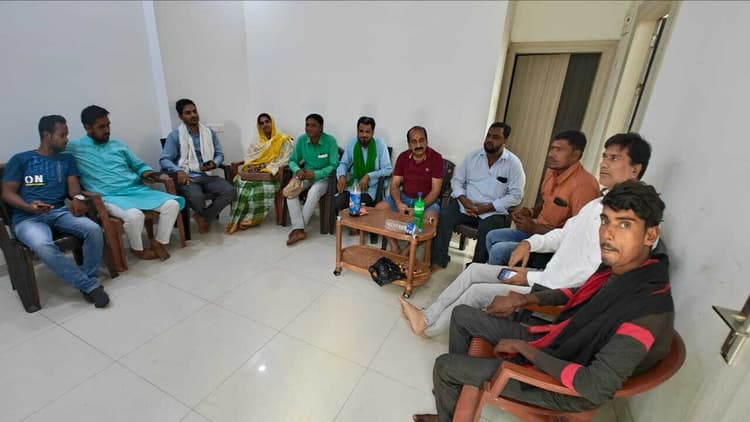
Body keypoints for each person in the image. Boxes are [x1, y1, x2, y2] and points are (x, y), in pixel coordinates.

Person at [414, 181, 672, 422]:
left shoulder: (647, 310)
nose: (608, 234)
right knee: (462, 314)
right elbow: (577, 293)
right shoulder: (623, 269)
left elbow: (593, 387)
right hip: (560, 340)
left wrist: (526, 349)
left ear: (650, 235)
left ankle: (452, 396)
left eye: (624, 225)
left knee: (445, 367)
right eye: (605, 221)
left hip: (564, 385)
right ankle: (456, 398)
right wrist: (524, 299)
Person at [401, 133, 653, 337]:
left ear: (635, 169)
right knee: (475, 270)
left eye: (614, 158)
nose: (604, 163)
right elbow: (563, 235)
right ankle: (429, 314)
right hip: (540, 276)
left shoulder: (625, 222)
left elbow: (590, 273)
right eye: (605, 156)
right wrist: (529, 243)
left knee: (476, 291)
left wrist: (532, 279)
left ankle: (429, 328)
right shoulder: (598, 204)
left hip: (546, 288)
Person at [1, 115, 109, 307]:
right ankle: (90, 286)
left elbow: (74, 189)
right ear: (47, 135)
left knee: (93, 229)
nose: (66, 139)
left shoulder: (67, 159)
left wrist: (78, 198)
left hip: (59, 212)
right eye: (62, 135)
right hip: (27, 218)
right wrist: (28, 207)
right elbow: (7, 193)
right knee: (42, 244)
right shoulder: (21, 159)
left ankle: (88, 279)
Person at [67, 105, 184, 261]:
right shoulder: (74, 147)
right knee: (134, 216)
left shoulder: (117, 144)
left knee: (172, 204)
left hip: (135, 190)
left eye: (108, 125)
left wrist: (147, 173)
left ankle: (158, 242)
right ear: (87, 127)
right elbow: (56, 159)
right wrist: (75, 196)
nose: (107, 130)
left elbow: (138, 165)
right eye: (101, 127)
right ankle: (137, 249)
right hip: (108, 196)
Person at [486, 130, 599, 266]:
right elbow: (547, 201)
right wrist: (530, 212)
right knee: (492, 236)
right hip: (537, 234)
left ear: (576, 155)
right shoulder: (552, 171)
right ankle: (496, 271)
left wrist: (535, 228)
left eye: (559, 150)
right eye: (552, 148)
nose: (551, 154)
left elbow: (577, 235)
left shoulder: (585, 186)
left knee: (499, 251)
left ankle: (499, 275)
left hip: (555, 249)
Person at [431, 122, 525, 269]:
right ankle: (439, 260)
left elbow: (516, 195)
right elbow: (457, 181)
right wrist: (463, 199)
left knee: (489, 230)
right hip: (465, 205)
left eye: (495, 137)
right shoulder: (472, 157)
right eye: (488, 135)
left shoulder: (513, 164)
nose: (490, 140)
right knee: (445, 215)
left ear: (505, 141)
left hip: (492, 211)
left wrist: (489, 207)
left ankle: (475, 268)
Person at [160, 98, 235, 234]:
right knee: (197, 197)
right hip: (188, 177)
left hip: (207, 175)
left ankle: (203, 217)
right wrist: (178, 171)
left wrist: (214, 163)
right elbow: (164, 160)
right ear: (180, 116)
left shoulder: (209, 133)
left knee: (230, 191)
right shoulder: (175, 136)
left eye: (195, 111)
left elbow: (219, 154)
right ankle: (205, 217)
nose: (193, 115)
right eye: (188, 113)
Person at [375, 126, 443, 253]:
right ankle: (394, 246)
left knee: (431, 220)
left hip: (426, 201)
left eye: (421, 140)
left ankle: (407, 251)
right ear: (409, 144)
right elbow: (394, 184)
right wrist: (398, 203)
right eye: (414, 142)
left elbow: (435, 190)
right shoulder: (403, 157)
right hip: (404, 198)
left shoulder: (436, 158)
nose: (418, 145)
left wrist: (420, 207)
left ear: (427, 141)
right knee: (379, 209)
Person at [225, 113, 294, 234]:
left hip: (273, 175)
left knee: (260, 188)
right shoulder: (256, 142)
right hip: (256, 173)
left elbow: (285, 160)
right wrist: (252, 166)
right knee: (240, 184)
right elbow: (249, 158)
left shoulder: (283, 139)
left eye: (267, 121)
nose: (265, 125)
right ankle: (239, 218)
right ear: (259, 126)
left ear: (272, 122)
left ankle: (251, 219)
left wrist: (267, 168)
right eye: (261, 123)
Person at [285, 113, 339, 246]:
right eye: (307, 125)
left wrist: (316, 174)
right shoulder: (302, 140)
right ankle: (299, 229)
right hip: (305, 175)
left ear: (321, 128)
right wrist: (297, 170)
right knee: (290, 192)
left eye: (313, 125)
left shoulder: (330, 141)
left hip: (324, 178)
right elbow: (292, 160)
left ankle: (298, 229)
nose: (309, 128)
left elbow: (334, 165)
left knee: (313, 192)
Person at [334, 116, 392, 213]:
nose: (364, 135)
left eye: (367, 132)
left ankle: (354, 223)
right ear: (357, 131)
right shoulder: (352, 143)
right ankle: (344, 222)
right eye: (361, 131)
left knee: (357, 205)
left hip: (370, 189)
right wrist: (342, 175)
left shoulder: (380, 145)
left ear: (372, 133)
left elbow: (388, 169)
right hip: (353, 187)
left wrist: (369, 176)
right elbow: (343, 163)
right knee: (338, 202)